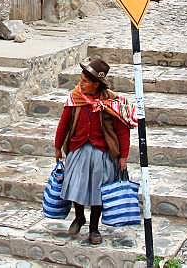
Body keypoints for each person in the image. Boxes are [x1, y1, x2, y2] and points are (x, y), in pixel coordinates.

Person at [54, 57, 137, 245]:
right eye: (81, 80)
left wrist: (123, 156)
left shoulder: (113, 104)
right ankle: (79, 217)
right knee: (76, 186)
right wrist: (58, 146)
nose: (81, 84)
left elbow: (123, 131)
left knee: (98, 192)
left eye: (85, 81)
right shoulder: (74, 98)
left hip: (102, 153)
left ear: (96, 84)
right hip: (78, 149)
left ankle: (94, 228)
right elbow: (64, 124)